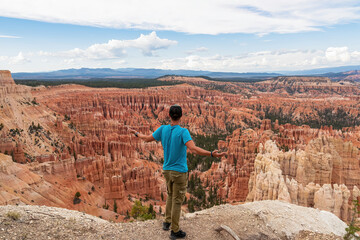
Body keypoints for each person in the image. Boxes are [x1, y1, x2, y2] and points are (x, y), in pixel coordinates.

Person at [129, 104, 225, 239]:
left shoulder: (162, 129)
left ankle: (167, 222)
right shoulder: (183, 131)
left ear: (169, 116)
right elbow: (193, 149)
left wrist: (136, 133)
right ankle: (175, 231)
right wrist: (211, 154)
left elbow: (146, 138)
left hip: (167, 171)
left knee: (170, 195)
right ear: (181, 116)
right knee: (177, 200)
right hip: (179, 172)